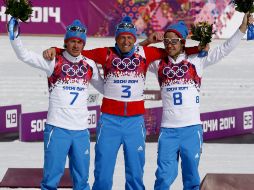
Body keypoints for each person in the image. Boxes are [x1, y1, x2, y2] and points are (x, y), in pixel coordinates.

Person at [43, 16, 200, 190]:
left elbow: (174, 51)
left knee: (135, 170)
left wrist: (199, 48)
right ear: (116, 39)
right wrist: (56, 49)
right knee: (103, 168)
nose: (126, 41)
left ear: (134, 39)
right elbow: (78, 53)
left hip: (134, 121)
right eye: (122, 37)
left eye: (130, 38)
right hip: (109, 121)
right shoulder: (106, 53)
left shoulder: (144, 53)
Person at [140, 13, 254, 190]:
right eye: (167, 42)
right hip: (168, 131)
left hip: (191, 130)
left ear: (183, 42)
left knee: (191, 178)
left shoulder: (196, 60)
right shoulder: (158, 64)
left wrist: (242, 29)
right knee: (163, 178)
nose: (170, 45)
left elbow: (223, 49)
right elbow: (133, 57)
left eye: (174, 41)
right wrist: (147, 42)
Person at [8, 18, 103, 190]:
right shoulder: (54, 61)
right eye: (72, 41)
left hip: (81, 131)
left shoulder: (89, 65)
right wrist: (15, 37)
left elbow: (106, 88)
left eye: (79, 42)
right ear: (66, 42)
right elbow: (25, 56)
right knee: (51, 181)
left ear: (84, 44)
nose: (76, 45)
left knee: (82, 181)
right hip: (57, 129)